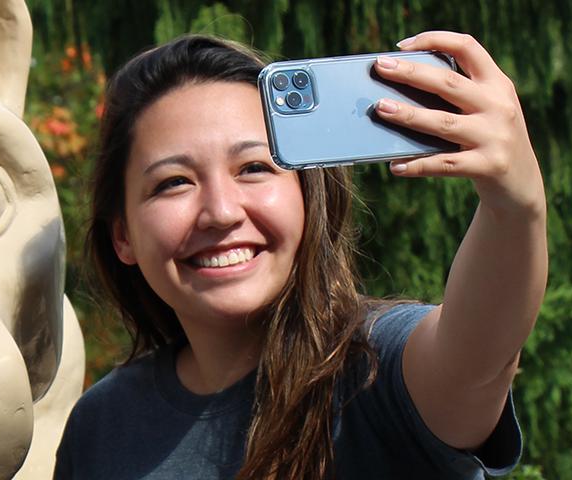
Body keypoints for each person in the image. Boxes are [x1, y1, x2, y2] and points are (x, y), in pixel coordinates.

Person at [56, 32, 542, 479]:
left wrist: (515, 206)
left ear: (308, 198)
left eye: (252, 168)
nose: (220, 212)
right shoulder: (100, 425)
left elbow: (481, 357)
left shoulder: (380, 373)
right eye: (174, 182)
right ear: (122, 235)